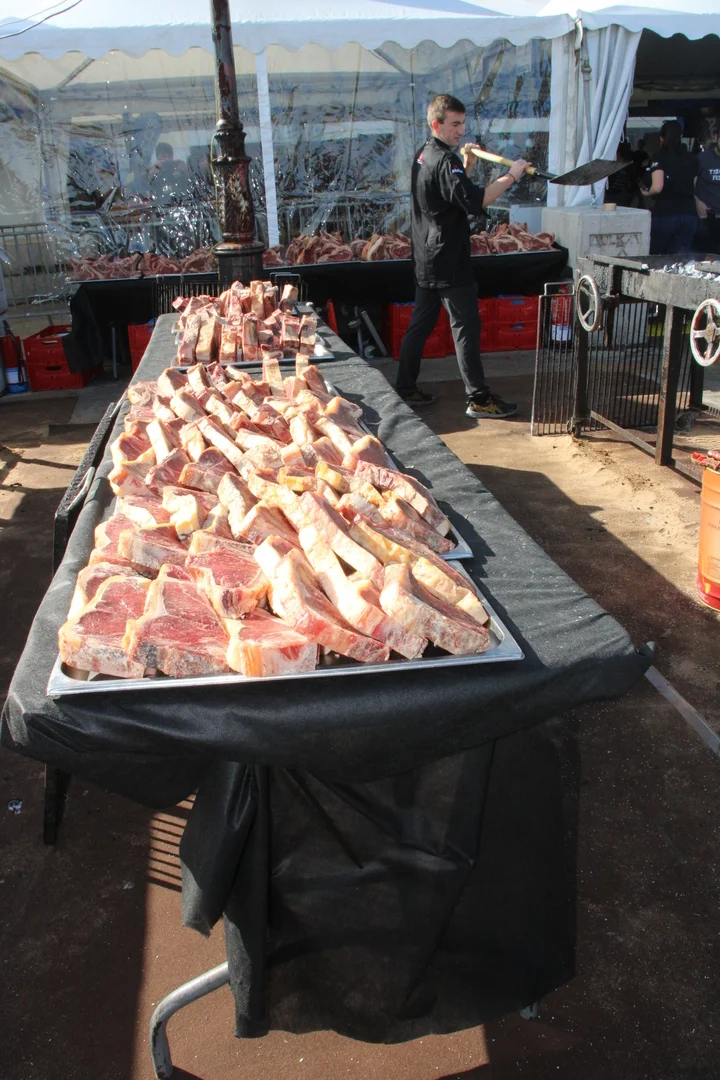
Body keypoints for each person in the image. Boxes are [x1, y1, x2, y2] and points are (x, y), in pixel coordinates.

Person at [395, 94, 527, 419]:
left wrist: (467, 165)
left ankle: (405, 387)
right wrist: (512, 175)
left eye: (462, 123)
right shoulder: (444, 160)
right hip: (448, 260)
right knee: (466, 325)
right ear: (436, 124)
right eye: (455, 124)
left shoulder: (424, 155)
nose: (461, 130)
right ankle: (478, 398)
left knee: (421, 324)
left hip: (426, 256)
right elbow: (475, 201)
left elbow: (451, 195)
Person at [641, 120, 698, 256]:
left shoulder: (659, 157)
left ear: (662, 138)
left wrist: (647, 193)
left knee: (658, 257)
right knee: (681, 258)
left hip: (665, 213)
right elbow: (694, 185)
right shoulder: (692, 158)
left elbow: (657, 187)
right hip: (688, 212)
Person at [694, 123, 720, 254]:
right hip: (708, 219)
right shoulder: (702, 158)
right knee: (707, 257)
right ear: (716, 136)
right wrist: (697, 201)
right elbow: (690, 182)